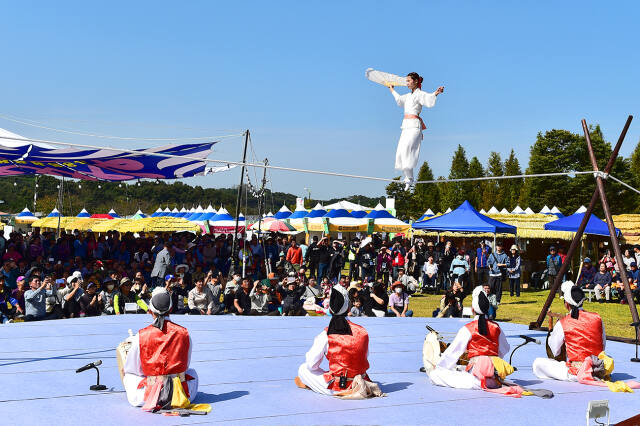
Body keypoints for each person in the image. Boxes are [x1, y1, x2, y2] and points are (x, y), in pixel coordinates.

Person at [119, 287, 209, 415]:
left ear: (150, 311)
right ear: (171, 309)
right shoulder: (184, 333)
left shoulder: (142, 335)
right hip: (180, 396)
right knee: (192, 373)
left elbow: (133, 369)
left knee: (129, 375)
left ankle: (155, 396)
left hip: (147, 398)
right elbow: (185, 365)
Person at [295, 285, 384, 398]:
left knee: (303, 369)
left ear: (330, 310)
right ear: (348, 309)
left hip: (338, 386)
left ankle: (312, 384)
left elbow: (311, 365)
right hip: (362, 381)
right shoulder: (362, 331)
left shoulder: (326, 334)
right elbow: (364, 357)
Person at [428, 286, 510, 390]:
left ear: (472, 310)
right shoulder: (496, 327)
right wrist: (491, 362)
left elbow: (453, 352)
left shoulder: (469, 328)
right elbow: (505, 348)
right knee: (461, 368)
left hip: (475, 380)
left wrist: (440, 366)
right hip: (494, 379)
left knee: (435, 375)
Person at [532, 281, 607, 383]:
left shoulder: (563, 322)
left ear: (566, 304)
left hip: (575, 373)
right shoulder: (598, 318)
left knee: (538, 363)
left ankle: (581, 374)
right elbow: (603, 344)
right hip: (598, 369)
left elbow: (554, 350)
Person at [387, 72, 444, 189]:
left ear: (416, 81)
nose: (407, 83)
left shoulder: (419, 94)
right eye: (406, 81)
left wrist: (436, 93)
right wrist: (392, 90)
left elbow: (429, 98)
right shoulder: (408, 96)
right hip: (405, 127)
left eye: (408, 81)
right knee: (401, 151)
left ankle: (409, 178)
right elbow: (399, 100)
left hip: (414, 127)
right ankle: (409, 177)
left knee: (408, 149)